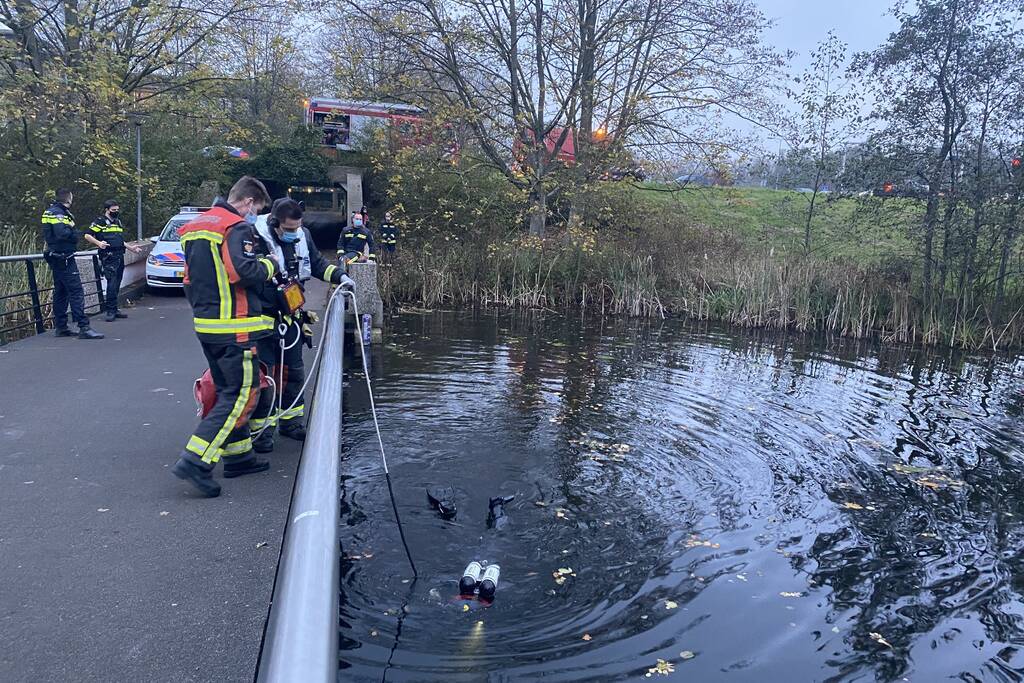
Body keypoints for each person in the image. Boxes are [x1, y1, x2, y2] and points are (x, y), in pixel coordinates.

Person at [171, 176, 278, 498]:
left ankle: (239, 456)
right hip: (235, 326)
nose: (254, 215)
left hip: (208, 325)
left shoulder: (196, 227)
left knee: (225, 389)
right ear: (248, 203)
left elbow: (188, 279)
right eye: (256, 209)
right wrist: (270, 265)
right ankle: (196, 459)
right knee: (240, 394)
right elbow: (242, 272)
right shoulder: (236, 228)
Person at [249, 198, 347, 450]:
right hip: (263, 318)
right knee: (266, 376)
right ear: (275, 223)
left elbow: (316, 263)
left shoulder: (303, 235)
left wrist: (340, 275)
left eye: (297, 228)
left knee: (294, 371)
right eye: (289, 229)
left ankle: (291, 423)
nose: (294, 233)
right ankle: (262, 431)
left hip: (291, 316)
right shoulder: (255, 236)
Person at [41, 188, 104, 339]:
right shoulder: (59, 213)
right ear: (69, 199)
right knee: (76, 292)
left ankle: (61, 327)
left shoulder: (49, 211)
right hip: (64, 257)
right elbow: (62, 233)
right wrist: (76, 234)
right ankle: (84, 327)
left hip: (55, 255)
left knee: (61, 291)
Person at [88, 200, 142, 322]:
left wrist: (131, 248)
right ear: (106, 210)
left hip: (119, 255)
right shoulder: (100, 221)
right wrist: (99, 243)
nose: (116, 212)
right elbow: (87, 235)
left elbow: (118, 240)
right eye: (113, 210)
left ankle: (115, 309)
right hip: (108, 256)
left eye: (117, 210)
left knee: (117, 283)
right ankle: (110, 311)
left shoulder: (117, 222)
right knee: (111, 284)